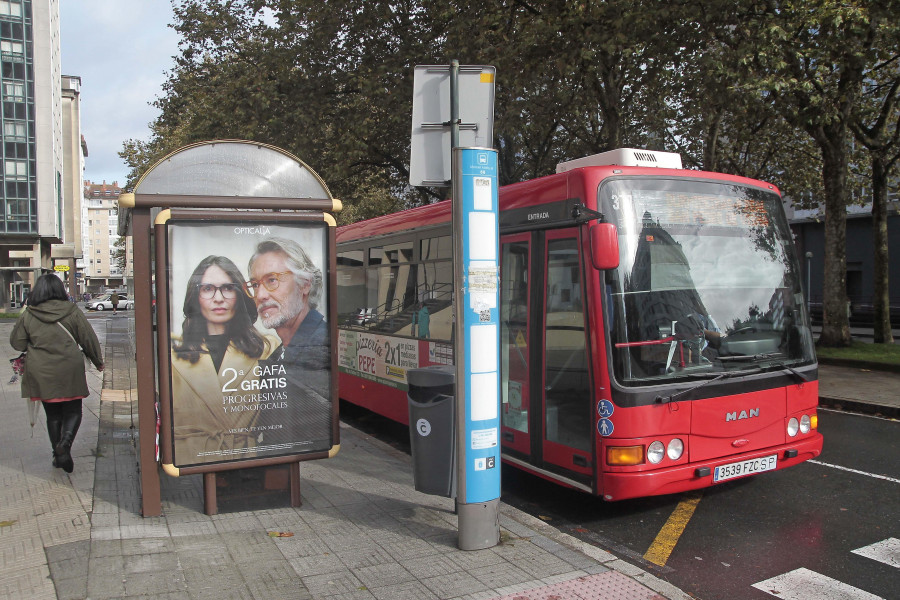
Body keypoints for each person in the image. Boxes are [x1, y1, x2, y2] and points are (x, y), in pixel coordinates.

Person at [171, 256, 277, 466]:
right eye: (208, 288)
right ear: (195, 295)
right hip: (189, 463)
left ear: (239, 294)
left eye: (228, 288)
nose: (218, 298)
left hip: (244, 463)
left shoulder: (267, 347)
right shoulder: (172, 351)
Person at [10, 274, 103, 473]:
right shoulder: (72, 311)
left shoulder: (29, 314)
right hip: (70, 368)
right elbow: (87, 338)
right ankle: (65, 445)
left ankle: (58, 453)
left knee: (52, 415)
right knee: (73, 410)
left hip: (40, 370)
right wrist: (98, 361)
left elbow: (16, 342)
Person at [247, 238, 331, 451]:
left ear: (305, 284)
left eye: (272, 280)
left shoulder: (320, 344)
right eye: (255, 284)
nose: (260, 295)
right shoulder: (278, 352)